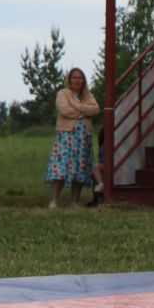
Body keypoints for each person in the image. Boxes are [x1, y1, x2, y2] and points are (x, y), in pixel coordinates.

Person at [45, 67, 99, 208]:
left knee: (80, 168)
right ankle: (54, 201)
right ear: (69, 79)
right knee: (60, 167)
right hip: (66, 136)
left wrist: (77, 106)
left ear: (84, 80)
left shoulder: (88, 95)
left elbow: (95, 109)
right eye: (74, 77)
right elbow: (64, 111)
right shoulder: (62, 94)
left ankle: (75, 201)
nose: (77, 80)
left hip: (84, 137)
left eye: (80, 78)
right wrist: (83, 111)